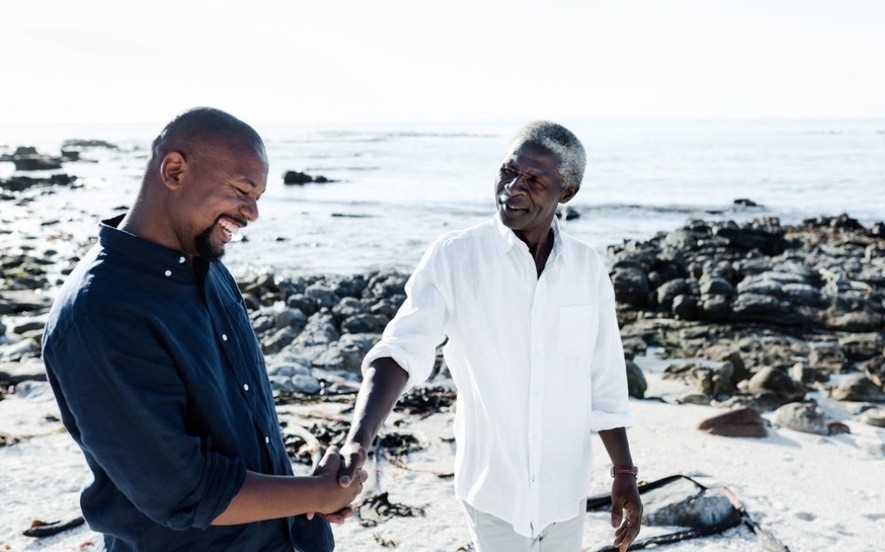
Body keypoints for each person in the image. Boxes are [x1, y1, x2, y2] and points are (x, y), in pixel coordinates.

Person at [41, 107, 365, 552]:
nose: (252, 213)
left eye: (258, 197)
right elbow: (183, 491)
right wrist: (317, 494)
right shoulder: (100, 314)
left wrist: (309, 497)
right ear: (174, 171)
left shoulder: (207, 268)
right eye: (242, 190)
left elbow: (250, 425)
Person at [338, 121, 643, 551]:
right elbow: (401, 350)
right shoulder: (455, 257)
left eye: (535, 180)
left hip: (566, 493)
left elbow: (605, 379)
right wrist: (358, 440)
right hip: (493, 494)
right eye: (508, 170)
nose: (513, 187)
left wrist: (624, 473)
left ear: (567, 192)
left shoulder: (587, 269)